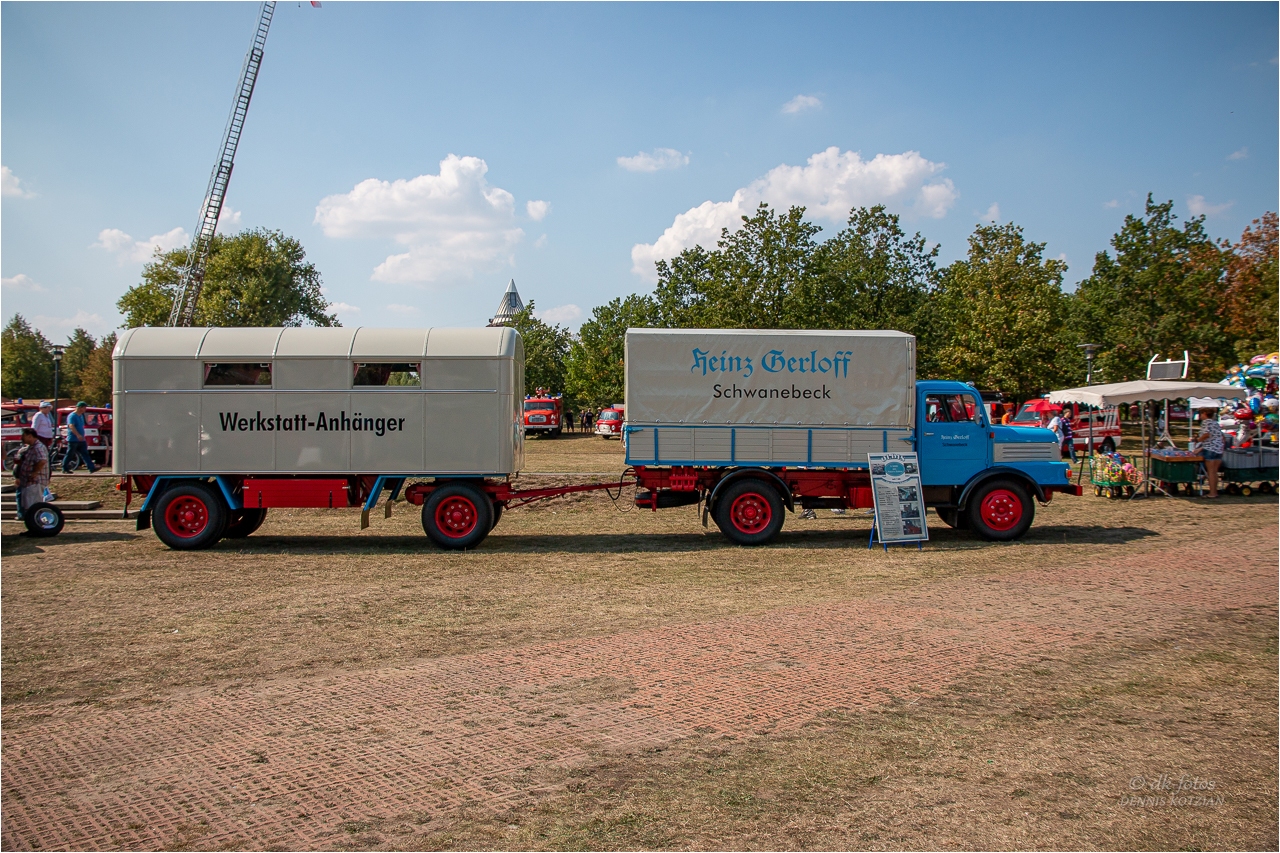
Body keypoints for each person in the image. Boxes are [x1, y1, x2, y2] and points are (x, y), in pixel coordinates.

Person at [13, 428, 50, 519]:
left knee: (33, 506)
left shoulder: (38, 447)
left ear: (30, 436)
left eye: (23, 436)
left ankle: (37, 523)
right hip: (28, 482)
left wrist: (34, 472)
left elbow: (42, 460)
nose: (21, 438)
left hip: (35, 482)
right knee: (28, 506)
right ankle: (32, 523)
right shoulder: (30, 447)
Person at [1196, 407, 1225, 498]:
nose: (1200, 416)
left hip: (1210, 450)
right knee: (1214, 472)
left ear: (1205, 413)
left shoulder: (1206, 422)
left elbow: (1206, 434)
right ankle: (1215, 491)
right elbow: (1222, 437)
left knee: (1210, 472)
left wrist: (1198, 440)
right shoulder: (1215, 423)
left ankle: (1212, 493)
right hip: (1218, 449)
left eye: (1201, 414)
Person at [63, 401, 98, 473]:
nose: (85, 409)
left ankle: (91, 468)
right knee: (70, 454)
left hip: (81, 439)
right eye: (84, 407)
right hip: (73, 439)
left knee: (85, 453)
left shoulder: (81, 416)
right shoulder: (72, 416)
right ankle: (65, 468)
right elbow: (71, 426)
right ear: (80, 408)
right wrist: (77, 435)